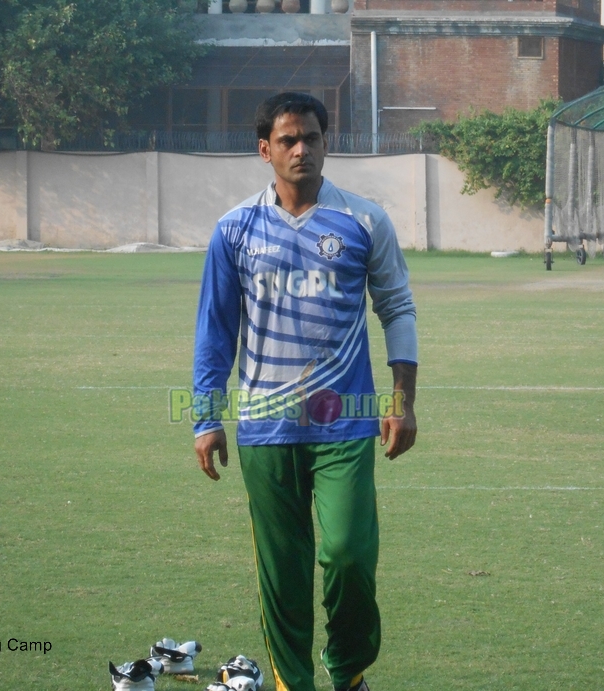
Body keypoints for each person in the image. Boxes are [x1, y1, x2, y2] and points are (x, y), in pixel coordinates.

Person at [192, 92, 418, 691]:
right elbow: (215, 328)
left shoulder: (364, 221)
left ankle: (348, 673)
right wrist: (205, 417)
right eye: (288, 140)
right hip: (265, 426)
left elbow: (397, 307)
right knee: (283, 573)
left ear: (326, 143)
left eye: (312, 138)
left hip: (345, 422)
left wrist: (403, 398)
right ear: (264, 150)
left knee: (347, 553)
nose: (302, 150)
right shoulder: (234, 229)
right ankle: (294, 683)